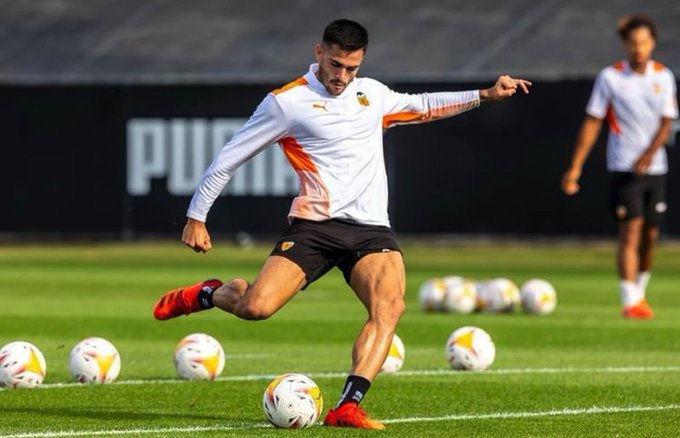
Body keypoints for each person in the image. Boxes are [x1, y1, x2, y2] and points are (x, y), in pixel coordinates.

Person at [153, 18, 530, 429]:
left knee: (389, 307)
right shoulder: (286, 102)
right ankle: (208, 294)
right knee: (256, 307)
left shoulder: (371, 93)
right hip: (314, 227)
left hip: (370, 230)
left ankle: (347, 406)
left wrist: (484, 95)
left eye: (351, 68)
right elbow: (228, 158)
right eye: (335, 65)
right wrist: (196, 216)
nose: (342, 76)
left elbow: (423, 106)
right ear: (319, 53)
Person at [561, 15, 678, 319]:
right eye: (633, 43)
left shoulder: (663, 77)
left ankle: (639, 293)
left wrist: (650, 154)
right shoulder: (610, 78)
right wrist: (575, 167)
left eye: (644, 43)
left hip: (656, 169)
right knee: (631, 230)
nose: (639, 48)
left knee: (650, 236)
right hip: (623, 166)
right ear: (626, 45)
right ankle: (630, 301)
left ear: (652, 43)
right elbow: (592, 121)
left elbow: (667, 122)